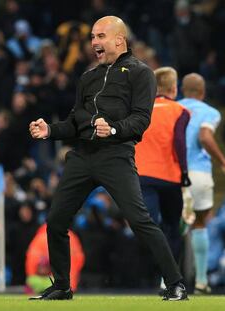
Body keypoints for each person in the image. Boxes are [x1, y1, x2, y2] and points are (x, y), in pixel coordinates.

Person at [28, 16, 187, 300]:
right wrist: (49, 130)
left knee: (140, 221)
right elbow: (74, 123)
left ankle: (175, 283)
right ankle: (63, 286)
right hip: (82, 156)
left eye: (100, 36)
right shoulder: (88, 77)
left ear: (119, 39)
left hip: (116, 155)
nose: (94, 43)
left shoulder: (141, 73)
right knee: (56, 219)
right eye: (92, 37)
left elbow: (141, 119)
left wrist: (113, 128)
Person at [135, 67, 190, 269]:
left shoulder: (140, 110)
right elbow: (179, 141)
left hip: (142, 176)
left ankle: (156, 267)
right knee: (172, 228)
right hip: (170, 177)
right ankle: (169, 278)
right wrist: (184, 171)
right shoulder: (180, 111)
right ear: (174, 88)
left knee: (149, 226)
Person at [179, 73, 225, 294]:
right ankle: (200, 281)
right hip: (199, 174)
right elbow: (205, 136)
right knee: (199, 224)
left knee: (172, 226)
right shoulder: (210, 112)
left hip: (173, 174)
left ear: (182, 90)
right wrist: (223, 161)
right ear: (203, 91)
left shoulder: (173, 109)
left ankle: (166, 281)